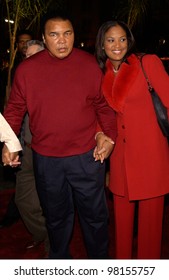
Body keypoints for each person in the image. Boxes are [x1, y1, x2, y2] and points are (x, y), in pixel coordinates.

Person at [2, 9, 117, 259]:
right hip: (47, 160)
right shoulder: (27, 70)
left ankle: (100, 265)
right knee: (56, 218)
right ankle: (60, 264)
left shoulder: (89, 65)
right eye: (54, 35)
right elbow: (14, 110)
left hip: (87, 158)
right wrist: (9, 143)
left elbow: (104, 106)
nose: (62, 40)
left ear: (74, 34)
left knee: (95, 217)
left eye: (67, 33)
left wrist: (109, 137)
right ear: (44, 38)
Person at [95, 20, 169, 259]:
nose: (117, 45)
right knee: (122, 227)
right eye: (111, 40)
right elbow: (103, 114)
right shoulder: (103, 73)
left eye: (122, 39)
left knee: (150, 227)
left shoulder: (148, 62)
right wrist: (100, 137)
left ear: (129, 41)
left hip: (151, 155)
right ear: (102, 44)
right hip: (120, 159)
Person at [14, 39, 49, 253]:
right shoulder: (22, 81)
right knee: (23, 200)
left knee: (51, 202)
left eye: (37, 55)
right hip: (26, 149)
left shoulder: (54, 81)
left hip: (49, 152)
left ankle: (53, 248)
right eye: (28, 56)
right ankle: (42, 232)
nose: (32, 60)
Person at [0, 30, 33, 229]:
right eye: (21, 43)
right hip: (16, 129)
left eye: (27, 42)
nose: (24, 46)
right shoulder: (13, 67)